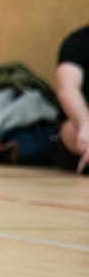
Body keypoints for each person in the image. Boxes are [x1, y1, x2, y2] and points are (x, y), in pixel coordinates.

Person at [55, 24, 89, 174]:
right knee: (71, 129)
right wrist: (85, 124)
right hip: (81, 125)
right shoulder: (79, 41)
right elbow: (68, 89)